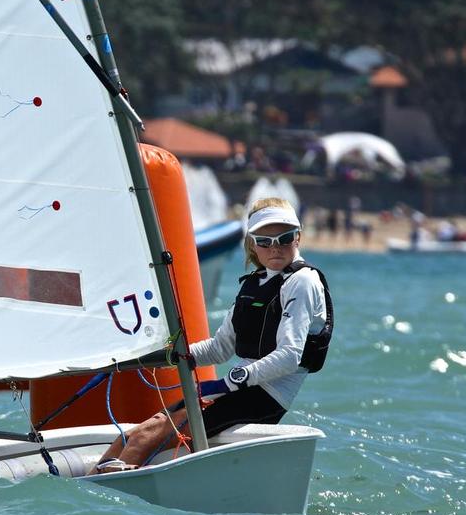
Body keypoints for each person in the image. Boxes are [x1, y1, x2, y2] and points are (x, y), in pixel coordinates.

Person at [90, 197, 333, 473]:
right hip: (240, 389)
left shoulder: (302, 281)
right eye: (264, 240)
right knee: (130, 436)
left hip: (266, 396)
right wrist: (173, 356)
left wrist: (228, 382)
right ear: (252, 243)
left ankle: (114, 494)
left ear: (298, 237)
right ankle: (87, 494)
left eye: (284, 238)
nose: (274, 247)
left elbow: (289, 357)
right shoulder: (255, 283)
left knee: (145, 438)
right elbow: (220, 348)